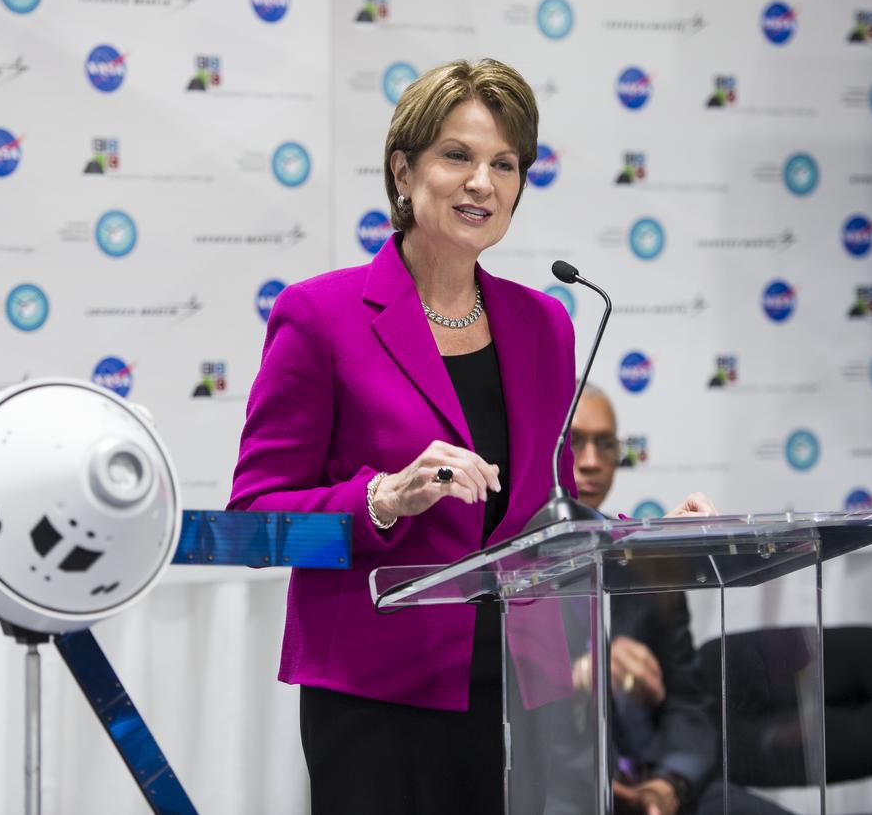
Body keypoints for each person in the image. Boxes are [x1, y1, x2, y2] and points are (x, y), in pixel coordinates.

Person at [228, 58, 713, 815]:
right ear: (402, 170)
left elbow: (542, 519)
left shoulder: (543, 322)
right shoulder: (319, 316)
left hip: (527, 686)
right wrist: (381, 499)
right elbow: (255, 521)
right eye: (457, 155)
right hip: (379, 691)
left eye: (503, 163)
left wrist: (644, 539)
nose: (482, 181)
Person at [551, 387, 793, 815]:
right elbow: (509, 714)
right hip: (567, 790)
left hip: (663, 784)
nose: (590, 461)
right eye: (575, 442)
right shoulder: (515, 568)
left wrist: (671, 782)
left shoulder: (649, 563)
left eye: (605, 444)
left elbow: (687, 701)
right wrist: (580, 674)